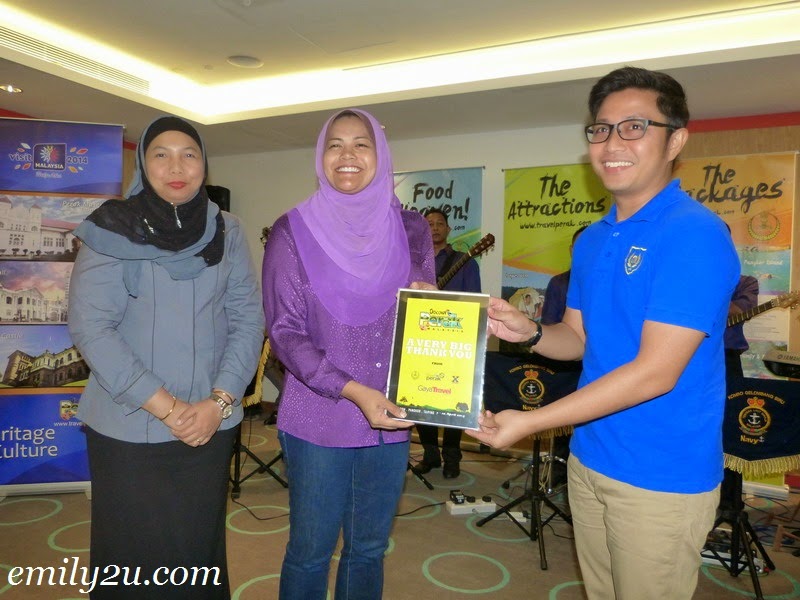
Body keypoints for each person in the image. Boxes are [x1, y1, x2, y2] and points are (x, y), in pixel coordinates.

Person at [468, 67, 740, 600]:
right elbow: (577, 340)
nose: (612, 143)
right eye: (601, 129)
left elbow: (655, 373)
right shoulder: (593, 239)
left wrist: (532, 423)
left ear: (675, 141)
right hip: (590, 458)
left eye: (634, 127)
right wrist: (528, 332)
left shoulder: (695, 234)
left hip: (660, 474)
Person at [68, 116, 264, 599]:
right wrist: (170, 408)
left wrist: (219, 401)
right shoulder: (112, 227)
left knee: (196, 552)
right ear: (143, 163)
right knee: (132, 561)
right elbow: (92, 327)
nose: (177, 167)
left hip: (209, 423)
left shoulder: (228, 229)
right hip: (128, 428)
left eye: (189, 154)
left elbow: (247, 319)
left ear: (203, 164)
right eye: (161, 154)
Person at [262, 108, 435, 599]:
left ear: (381, 155)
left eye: (362, 143)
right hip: (319, 416)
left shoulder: (412, 228)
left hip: (392, 414)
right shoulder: (291, 230)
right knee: (310, 550)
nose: (347, 155)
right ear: (321, 156)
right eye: (334, 144)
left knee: (369, 549)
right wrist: (354, 391)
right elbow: (285, 333)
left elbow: (423, 318)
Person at [415, 208, 481, 478]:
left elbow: (474, 303)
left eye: (440, 223)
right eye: (429, 224)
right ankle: (430, 454)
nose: (434, 228)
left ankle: (452, 457)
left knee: (454, 401)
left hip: (455, 342)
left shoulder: (466, 263)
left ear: (449, 229)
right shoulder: (414, 263)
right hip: (421, 340)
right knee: (420, 398)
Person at [540, 225, 587, 326]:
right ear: (571, 251)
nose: (585, 252)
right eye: (580, 247)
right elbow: (549, 323)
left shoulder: (610, 283)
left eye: (590, 246)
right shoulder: (558, 283)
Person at [725, 275, 759, 378]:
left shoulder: (746, 282)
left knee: (733, 388)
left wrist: (712, 291)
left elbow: (743, 311)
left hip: (727, 352)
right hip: (691, 348)